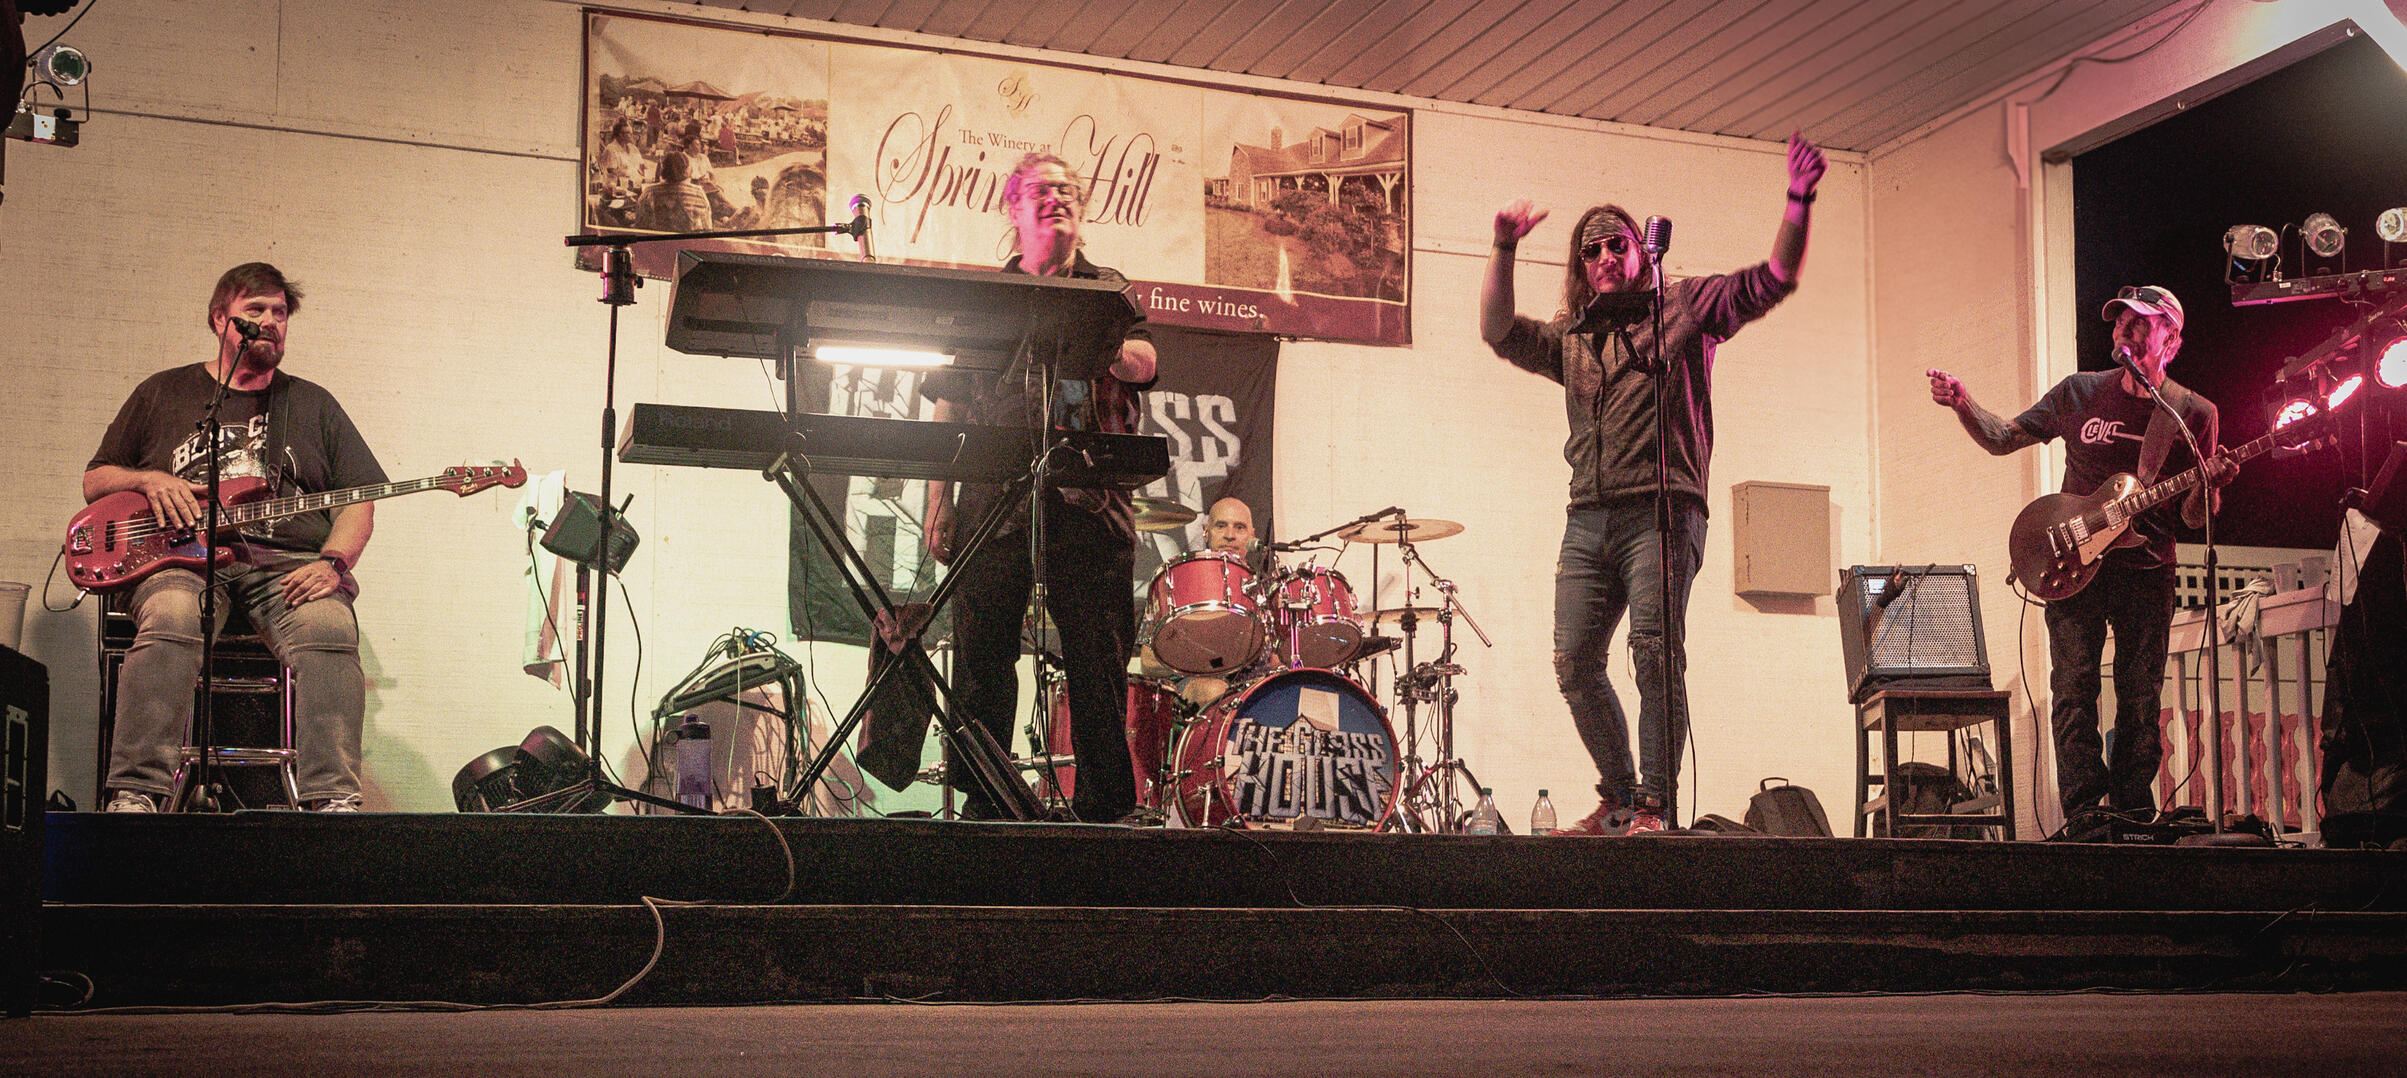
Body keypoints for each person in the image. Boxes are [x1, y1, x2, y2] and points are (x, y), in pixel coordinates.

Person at [1483, 134, 1826, 836]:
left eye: (1618, 245)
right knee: (1574, 661)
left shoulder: (1686, 307)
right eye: (1592, 251)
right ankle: (1617, 797)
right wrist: (1503, 247)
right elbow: (1496, 330)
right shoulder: (1572, 337)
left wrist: (1798, 199)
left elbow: (1774, 278)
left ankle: (1653, 806)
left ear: (1642, 250)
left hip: (1662, 514)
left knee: (1653, 654)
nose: (1606, 258)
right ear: (1580, 268)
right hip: (1588, 518)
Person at [1928, 285, 2231, 834]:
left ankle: (2133, 814)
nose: (2125, 329)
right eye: (2120, 321)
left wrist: (2209, 487)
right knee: (2073, 690)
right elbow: (2003, 439)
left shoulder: (2191, 412)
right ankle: (2086, 815)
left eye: (2141, 322)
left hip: (2148, 568)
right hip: (2072, 564)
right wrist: (1963, 404)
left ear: (2171, 339)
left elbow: (2193, 518)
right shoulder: (2081, 391)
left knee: (2140, 698)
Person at [86, 263, 386, 813]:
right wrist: (149, 480)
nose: (271, 321)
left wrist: (334, 562)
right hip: (180, 560)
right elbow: (95, 480)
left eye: (280, 312)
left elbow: (358, 500)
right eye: (256, 310)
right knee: (173, 615)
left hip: (286, 564)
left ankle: (333, 802)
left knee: (329, 626)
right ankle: (136, 792)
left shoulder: (313, 404)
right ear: (220, 319)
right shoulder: (163, 391)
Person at [922, 152, 1158, 823]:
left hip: (1089, 501)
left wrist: (1104, 340)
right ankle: (987, 803)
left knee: (1097, 659)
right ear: (1013, 206)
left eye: (1066, 188)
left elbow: (1145, 361)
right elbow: (948, 401)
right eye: (1039, 189)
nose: (1055, 197)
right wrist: (938, 501)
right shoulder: (986, 298)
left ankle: (1104, 809)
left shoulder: (1108, 289)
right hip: (993, 498)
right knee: (982, 657)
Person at [635, 151, 711, 232]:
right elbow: (707, 228)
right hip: (689, 239)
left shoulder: (649, 192)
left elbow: (640, 225)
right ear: (686, 170)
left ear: (663, 169)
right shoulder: (698, 193)